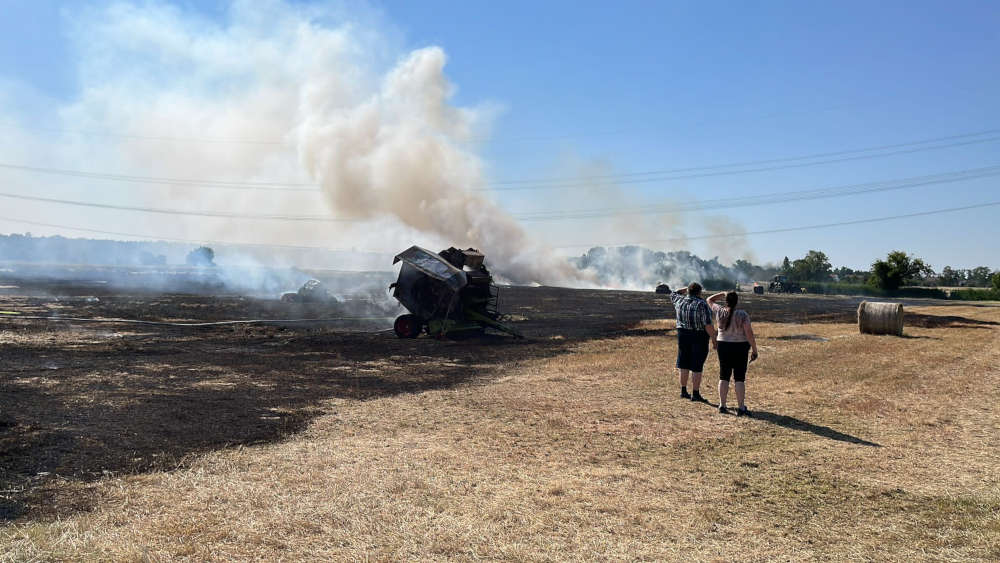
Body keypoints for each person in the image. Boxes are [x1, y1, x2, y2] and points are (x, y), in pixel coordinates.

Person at [706, 291, 759, 416]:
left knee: (724, 375)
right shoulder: (743, 314)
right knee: (739, 378)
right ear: (737, 301)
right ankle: (741, 407)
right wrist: (754, 349)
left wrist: (722, 293)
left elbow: (709, 300)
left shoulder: (719, 311)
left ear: (726, 301)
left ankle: (722, 405)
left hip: (723, 345)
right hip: (740, 346)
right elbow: (749, 333)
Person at [670, 282, 717, 402]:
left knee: (683, 363)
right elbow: (708, 325)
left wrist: (687, 288)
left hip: (683, 335)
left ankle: (683, 391)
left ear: (688, 291)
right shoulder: (702, 304)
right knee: (697, 365)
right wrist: (714, 340)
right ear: (699, 292)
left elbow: (674, 293)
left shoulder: (679, 301)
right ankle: (695, 393)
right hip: (699, 336)